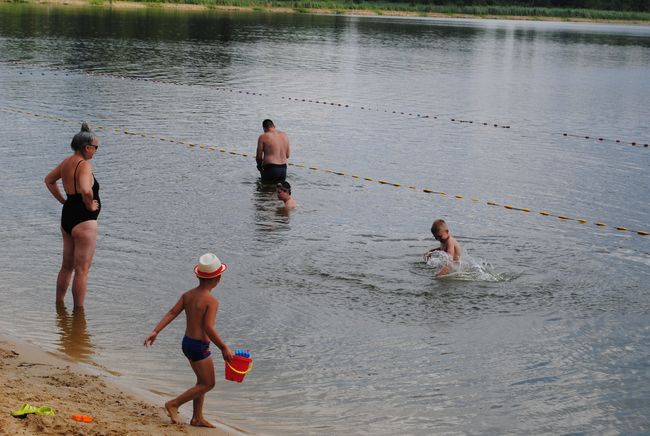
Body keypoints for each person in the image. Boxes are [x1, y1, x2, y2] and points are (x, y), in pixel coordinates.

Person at [143, 253, 234, 428]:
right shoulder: (211, 301)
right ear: (218, 278)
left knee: (201, 382)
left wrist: (156, 331)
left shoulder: (188, 295)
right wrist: (223, 347)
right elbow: (208, 327)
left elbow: (171, 313)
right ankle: (174, 404)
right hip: (199, 346)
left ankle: (197, 418)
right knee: (208, 383)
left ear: (198, 275)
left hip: (187, 343)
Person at [44, 122, 101, 308]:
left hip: (67, 216)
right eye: (95, 147)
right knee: (82, 271)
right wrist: (90, 206)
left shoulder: (67, 162)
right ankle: (79, 315)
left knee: (66, 266)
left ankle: (59, 305)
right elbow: (86, 190)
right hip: (84, 220)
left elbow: (49, 180)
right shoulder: (84, 165)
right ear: (86, 148)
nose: (96, 151)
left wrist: (63, 201)